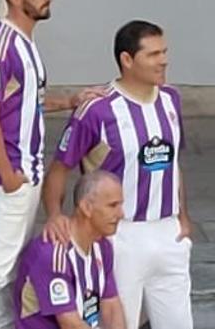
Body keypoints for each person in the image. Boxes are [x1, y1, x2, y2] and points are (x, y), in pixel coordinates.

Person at [0, 0, 102, 329]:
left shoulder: (24, 44)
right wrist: (8, 175)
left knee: (9, 268)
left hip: (27, 173)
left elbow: (26, 102)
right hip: (9, 176)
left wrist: (69, 102)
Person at [42, 20, 193, 329]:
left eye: (164, 52)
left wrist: (183, 217)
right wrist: (55, 214)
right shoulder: (97, 109)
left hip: (168, 234)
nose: (163, 60)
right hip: (119, 236)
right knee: (119, 323)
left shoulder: (170, 100)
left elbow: (174, 162)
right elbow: (59, 167)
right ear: (127, 60)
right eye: (152, 54)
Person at [13, 170, 126, 329]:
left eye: (121, 205)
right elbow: (70, 325)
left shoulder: (103, 247)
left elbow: (112, 308)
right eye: (113, 205)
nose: (121, 214)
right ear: (86, 207)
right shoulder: (53, 253)